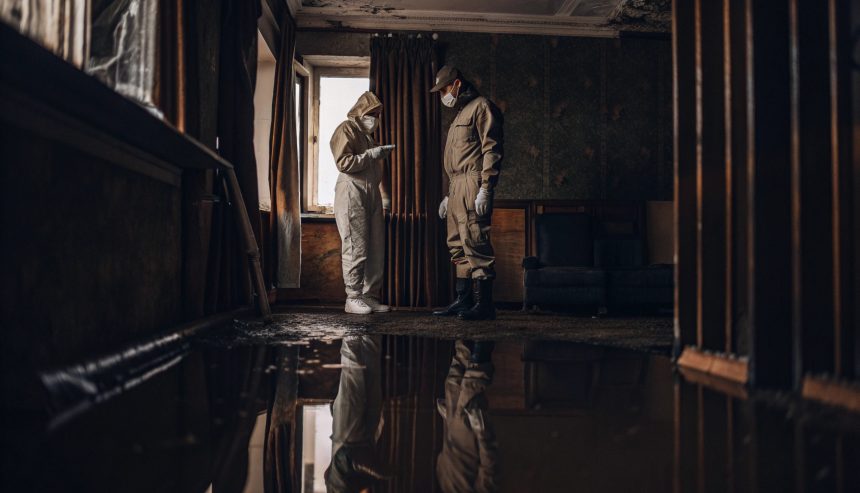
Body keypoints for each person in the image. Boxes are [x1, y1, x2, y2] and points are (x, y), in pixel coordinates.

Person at [431, 66, 504, 321]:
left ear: (457, 84)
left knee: (475, 240)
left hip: (473, 181)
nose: (443, 95)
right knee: (457, 244)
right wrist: (449, 195)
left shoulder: (482, 106)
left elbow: (491, 149)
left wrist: (486, 188)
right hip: (456, 184)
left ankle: (485, 305)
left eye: (444, 89)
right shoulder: (460, 113)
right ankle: (464, 301)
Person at [330, 91, 395, 315]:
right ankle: (353, 297)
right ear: (360, 112)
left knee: (376, 247)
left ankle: (369, 295)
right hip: (352, 190)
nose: (375, 118)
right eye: (372, 113)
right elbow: (344, 163)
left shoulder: (367, 137)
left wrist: (384, 197)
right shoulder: (345, 129)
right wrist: (371, 155)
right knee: (356, 245)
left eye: (378, 114)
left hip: (371, 193)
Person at [325, 335, 389, 492]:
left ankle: (353, 322)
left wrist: (374, 471)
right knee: (372, 365)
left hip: (348, 440)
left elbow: (342, 461)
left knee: (353, 368)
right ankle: (372, 323)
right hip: (367, 442)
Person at [436, 340, 498, 493]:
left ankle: (465, 328)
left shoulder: (445, 486)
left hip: (452, 426)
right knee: (474, 380)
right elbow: (489, 466)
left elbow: (447, 455)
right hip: (470, 435)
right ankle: (484, 331)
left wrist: (447, 421)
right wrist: (481, 431)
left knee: (454, 378)